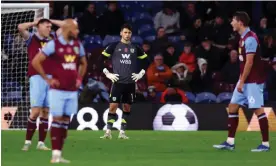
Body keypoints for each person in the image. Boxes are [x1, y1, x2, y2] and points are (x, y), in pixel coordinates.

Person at [213, 11, 270, 152]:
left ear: (240, 22)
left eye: (233, 20)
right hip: (244, 80)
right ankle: (230, 142)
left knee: (258, 111)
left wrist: (242, 82)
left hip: (252, 81)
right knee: (232, 107)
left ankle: (265, 144)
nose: (231, 23)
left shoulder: (250, 39)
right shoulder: (242, 38)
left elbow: (249, 63)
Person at [32, 19, 87, 163]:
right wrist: (47, 79)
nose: (78, 31)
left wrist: (79, 79)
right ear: (68, 29)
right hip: (57, 90)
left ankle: (59, 153)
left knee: (65, 120)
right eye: (76, 29)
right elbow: (36, 61)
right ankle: (55, 154)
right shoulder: (53, 44)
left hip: (72, 89)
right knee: (57, 118)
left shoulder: (77, 45)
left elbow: (84, 63)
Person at [18, 18, 64, 151]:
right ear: (39, 27)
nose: (50, 29)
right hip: (37, 76)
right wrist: (34, 22)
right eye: (47, 26)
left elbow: (67, 25)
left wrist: (51, 21)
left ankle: (41, 143)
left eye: (50, 27)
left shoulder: (54, 38)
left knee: (46, 111)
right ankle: (27, 141)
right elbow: (20, 26)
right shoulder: (31, 38)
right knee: (36, 111)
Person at [100, 23, 147, 139]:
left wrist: (141, 73)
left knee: (127, 107)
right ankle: (108, 132)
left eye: (129, 33)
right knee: (113, 106)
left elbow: (146, 61)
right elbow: (101, 59)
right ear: (121, 33)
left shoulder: (135, 48)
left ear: (131, 34)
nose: (127, 35)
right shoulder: (114, 46)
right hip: (117, 82)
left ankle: (122, 132)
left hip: (130, 83)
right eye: (125, 32)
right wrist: (107, 73)